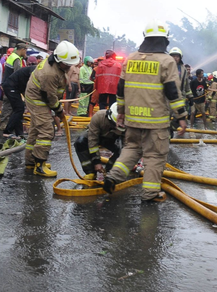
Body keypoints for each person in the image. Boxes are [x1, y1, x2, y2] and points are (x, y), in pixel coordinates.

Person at [103, 20, 187, 202]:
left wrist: (122, 112)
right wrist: (181, 116)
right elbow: (173, 91)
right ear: (164, 40)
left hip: (133, 119)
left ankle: (113, 176)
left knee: (131, 148)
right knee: (155, 156)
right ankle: (150, 194)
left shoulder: (130, 59)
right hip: (156, 122)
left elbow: (120, 89)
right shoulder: (167, 61)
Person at [24, 40, 80, 176]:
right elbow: (50, 96)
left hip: (42, 97)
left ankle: (31, 161)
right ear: (58, 59)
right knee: (46, 130)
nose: (69, 67)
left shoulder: (58, 66)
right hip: (38, 99)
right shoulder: (49, 73)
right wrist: (59, 111)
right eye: (67, 64)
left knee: (35, 130)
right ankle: (40, 165)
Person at [74, 102, 125, 180]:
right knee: (80, 142)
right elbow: (92, 140)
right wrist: (96, 161)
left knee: (123, 150)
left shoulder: (127, 122)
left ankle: (111, 171)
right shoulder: (99, 117)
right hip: (99, 135)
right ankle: (90, 172)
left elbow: (129, 145)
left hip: (114, 139)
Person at [2, 56, 38, 139]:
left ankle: (19, 133)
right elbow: (31, 85)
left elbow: (26, 90)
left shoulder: (34, 71)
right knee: (19, 108)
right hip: (10, 87)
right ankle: (7, 131)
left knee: (19, 109)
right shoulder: (34, 70)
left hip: (15, 88)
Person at [0, 43, 28, 132]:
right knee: (13, 109)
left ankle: (16, 131)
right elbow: (18, 76)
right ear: (22, 49)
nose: (26, 52)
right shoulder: (16, 59)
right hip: (11, 88)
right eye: (26, 50)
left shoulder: (12, 56)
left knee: (12, 109)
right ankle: (4, 129)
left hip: (7, 86)